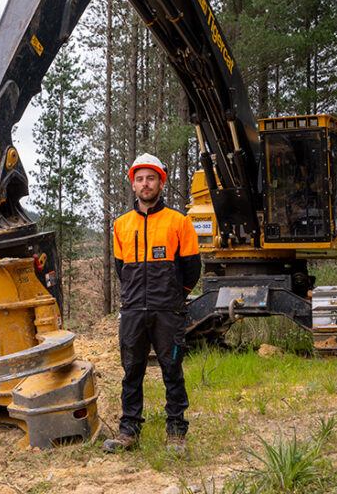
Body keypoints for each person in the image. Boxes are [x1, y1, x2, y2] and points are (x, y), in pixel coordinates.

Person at [103, 153, 201, 456]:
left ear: (161, 182)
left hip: (167, 312)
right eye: (140, 179)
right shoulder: (121, 225)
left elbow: (192, 269)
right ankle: (128, 431)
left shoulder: (179, 222)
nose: (145, 184)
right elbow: (122, 270)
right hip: (133, 311)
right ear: (133, 184)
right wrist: (136, 298)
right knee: (131, 371)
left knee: (172, 370)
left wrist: (172, 296)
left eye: (151, 178)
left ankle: (175, 432)